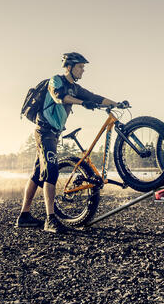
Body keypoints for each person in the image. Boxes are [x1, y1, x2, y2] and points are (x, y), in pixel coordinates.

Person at [17, 52, 123, 233]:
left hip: (54, 134)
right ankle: (50, 220)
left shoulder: (76, 88)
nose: (83, 70)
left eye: (83, 67)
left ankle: (24, 216)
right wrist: (83, 103)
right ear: (69, 67)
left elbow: (95, 97)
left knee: (37, 174)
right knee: (51, 172)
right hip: (44, 131)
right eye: (80, 67)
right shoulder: (56, 80)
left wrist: (116, 104)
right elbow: (59, 97)